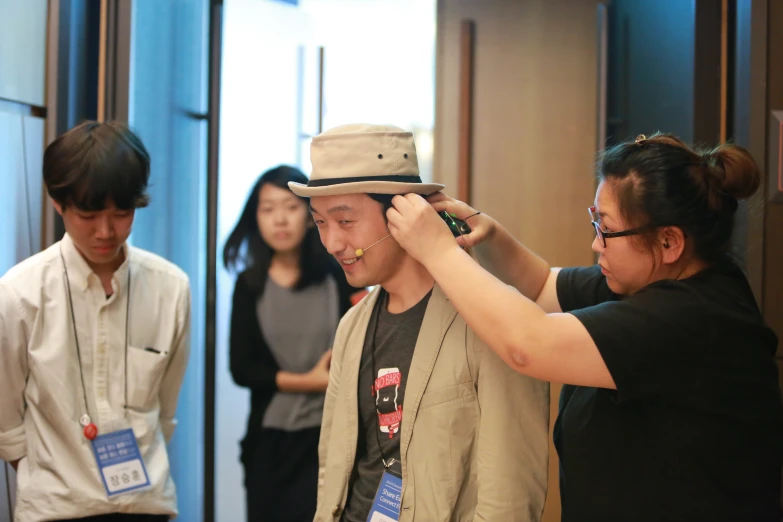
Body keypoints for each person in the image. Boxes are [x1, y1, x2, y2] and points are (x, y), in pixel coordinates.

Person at [386, 132, 783, 522]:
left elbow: (529, 344)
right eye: (596, 223)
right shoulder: (650, 281)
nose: (596, 244)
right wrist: (486, 232)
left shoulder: (695, 318)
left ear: (668, 243)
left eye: (606, 229)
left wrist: (437, 251)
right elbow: (542, 286)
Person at [289, 123, 550, 522]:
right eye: (320, 222)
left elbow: (511, 501)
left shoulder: (490, 321)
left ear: (403, 212)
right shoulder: (353, 325)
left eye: (345, 221)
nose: (332, 244)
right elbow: (335, 465)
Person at [0, 121, 191, 522]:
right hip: (56, 509)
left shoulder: (170, 287)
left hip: (146, 505)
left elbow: (165, 409)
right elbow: (6, 420)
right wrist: (57, 477)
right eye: (88, 214)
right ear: (58, 203)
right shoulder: (20, 293)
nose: (106, 231)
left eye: (121, 213)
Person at [223, 166, 363, 522]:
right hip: (270, 443)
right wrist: (310, 382)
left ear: (310, 215)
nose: (280, 220)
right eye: (268, 209)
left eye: (290, 207)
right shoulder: (249, 285)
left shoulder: (338, 275)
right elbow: (243, 368)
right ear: (255, 218)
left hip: (330, 436)